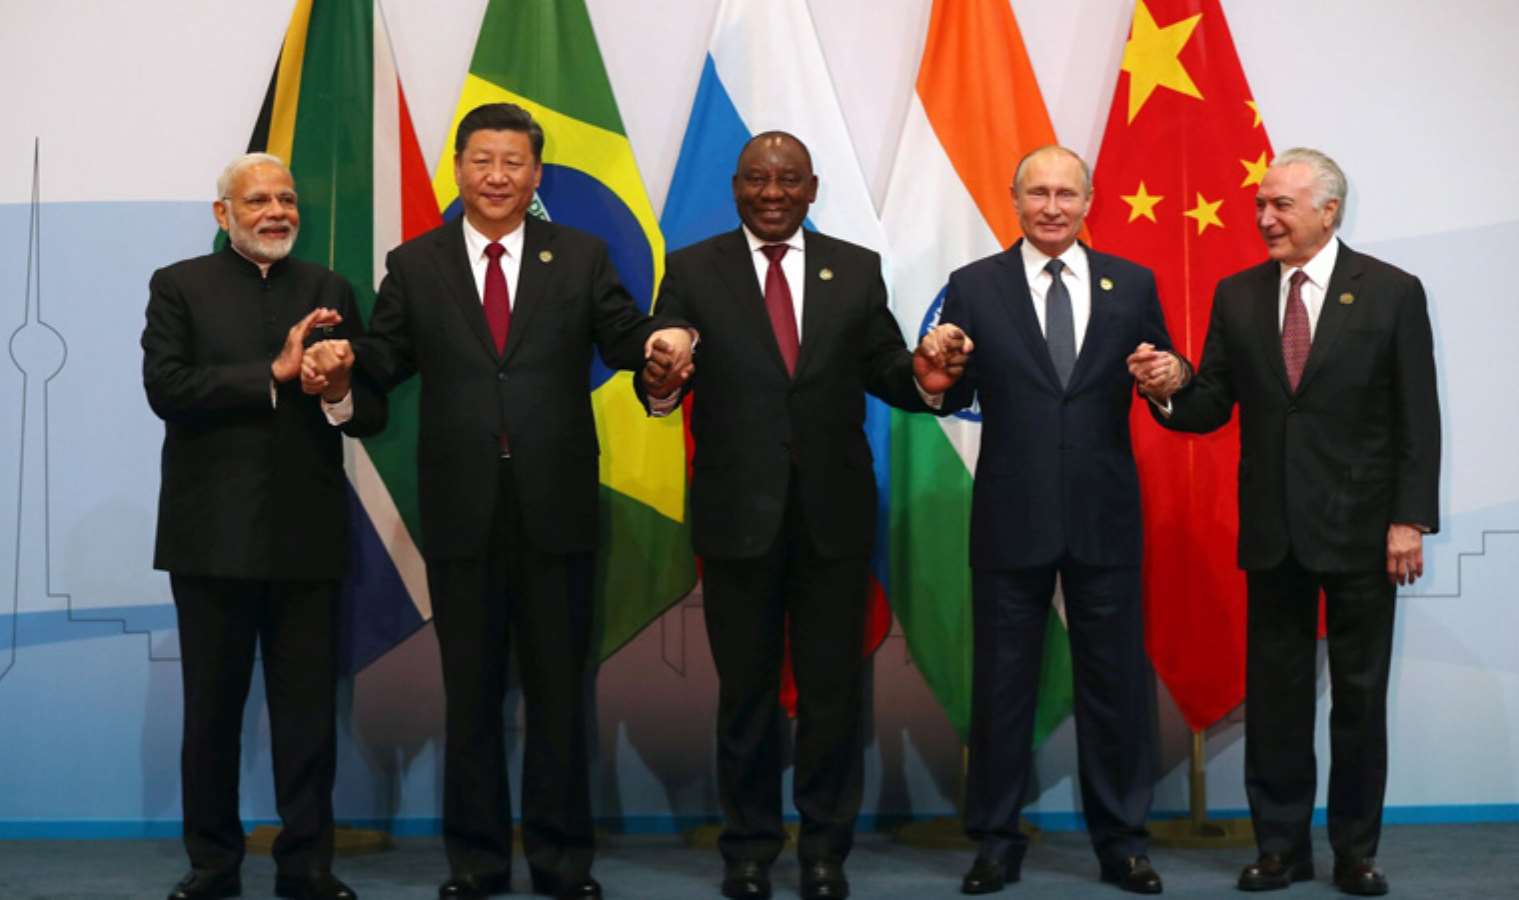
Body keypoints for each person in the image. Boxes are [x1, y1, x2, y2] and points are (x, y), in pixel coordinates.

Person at [304, 103, 691, 900]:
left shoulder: (579, 256)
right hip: (462, 512)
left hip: (557, 509)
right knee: (472, 696)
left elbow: (624, 335)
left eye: (513, 162)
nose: (497, 176)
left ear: (535, 173)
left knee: (559, 696)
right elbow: (385, 359)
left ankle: (562, 861)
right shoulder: (417, 262)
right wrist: (341, 375)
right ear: (459, 167)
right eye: (482, 160)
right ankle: (475, 862)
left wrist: (661, 346)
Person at [636, 131, 969, 900]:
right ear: (736, 187)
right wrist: (660, 375)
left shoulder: (853, 268)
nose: (772, 193)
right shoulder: (692, 269)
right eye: (757, 179)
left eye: (788, 180)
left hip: (832, 517)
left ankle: (824, 852)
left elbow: (885, 367)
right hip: (736, 518)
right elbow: (663, 368)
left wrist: (926, 377)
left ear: (811, 189)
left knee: (831, 696)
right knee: (745, 698)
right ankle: (748, 852)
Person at [1133, 147, 1439, 897]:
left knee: (1359, 701)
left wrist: (1408, 519)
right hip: (1273, 530)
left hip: (1364, 531)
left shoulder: (1392, 291)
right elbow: (1210, 405)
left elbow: (1417, 416)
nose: (1265, 218)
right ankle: (1279, 849)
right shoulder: (1237, 294)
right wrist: (1167, 386)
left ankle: (1355, 853)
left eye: (1281, 206)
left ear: (1328, 211)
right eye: (1260, 205)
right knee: (1275, 702)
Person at [936, 145, 1181, 896]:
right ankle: (995, 843)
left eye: (1065, 194)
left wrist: (1170, 379)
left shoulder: (1131, 284)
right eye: (1037, 193)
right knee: (1002, 688)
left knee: (1115, 688)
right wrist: (937, 372)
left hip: (1104, 516)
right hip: (1010, 516)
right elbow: (950, 391)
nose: (1051, 207)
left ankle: (1123, 843)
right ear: (1013, 200)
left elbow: (1163, 378)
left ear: (1088, 201)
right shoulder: (973, 285)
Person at [141, 152, 385, 900]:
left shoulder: (328, 288)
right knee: (211, 716)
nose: (277, 212)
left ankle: (307, 866)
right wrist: (273, 375)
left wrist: (338, 388)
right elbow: (166, 388)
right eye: (258, 201)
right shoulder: (179, 285)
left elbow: (370, 413)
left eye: (287, 199)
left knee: (306, 718)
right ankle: (213, 864)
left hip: (306, 537)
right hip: (209, 539)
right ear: (224, 215)